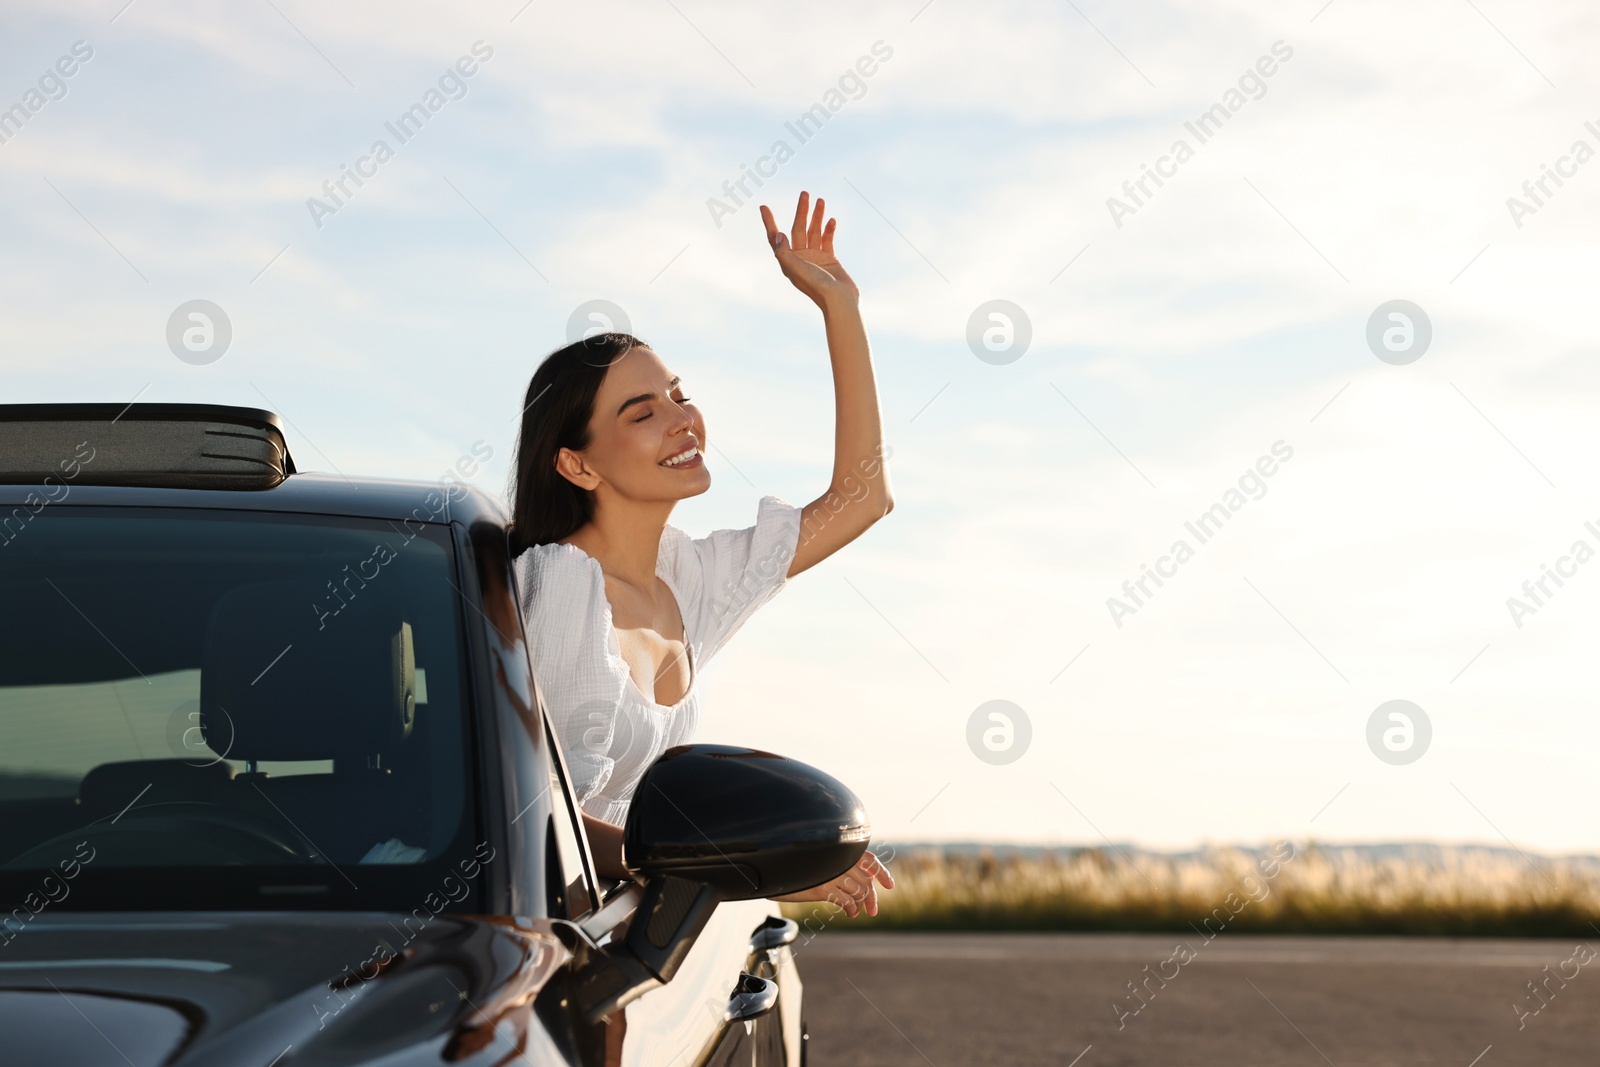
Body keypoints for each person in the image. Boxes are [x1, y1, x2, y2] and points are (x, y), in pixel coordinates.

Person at [509, 191, 894, 917]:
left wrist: (839, 308)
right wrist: (740, 870)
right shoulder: (562, 585)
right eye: (643, 413)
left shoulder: (689, 581)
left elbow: (863, 498)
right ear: (577, 465)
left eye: (678, 395)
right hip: (547, 943)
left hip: (637, 926)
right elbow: (531, 813)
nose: (683, 419)